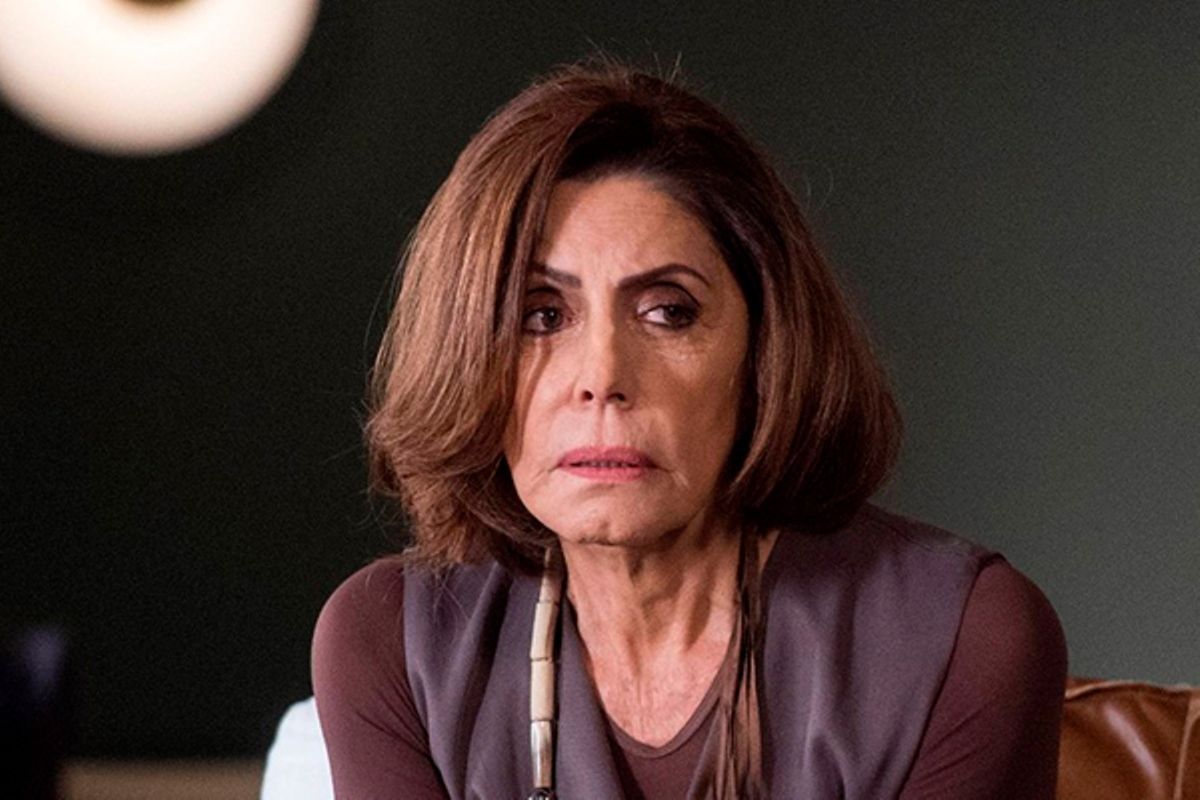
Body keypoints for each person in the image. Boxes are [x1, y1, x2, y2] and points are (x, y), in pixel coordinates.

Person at [311, 60, 1067, 799]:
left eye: (668, 312)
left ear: (764, 347)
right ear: (466, 353)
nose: (601, 374)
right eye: (541, 315)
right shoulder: (389, 643)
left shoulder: (963, 637)